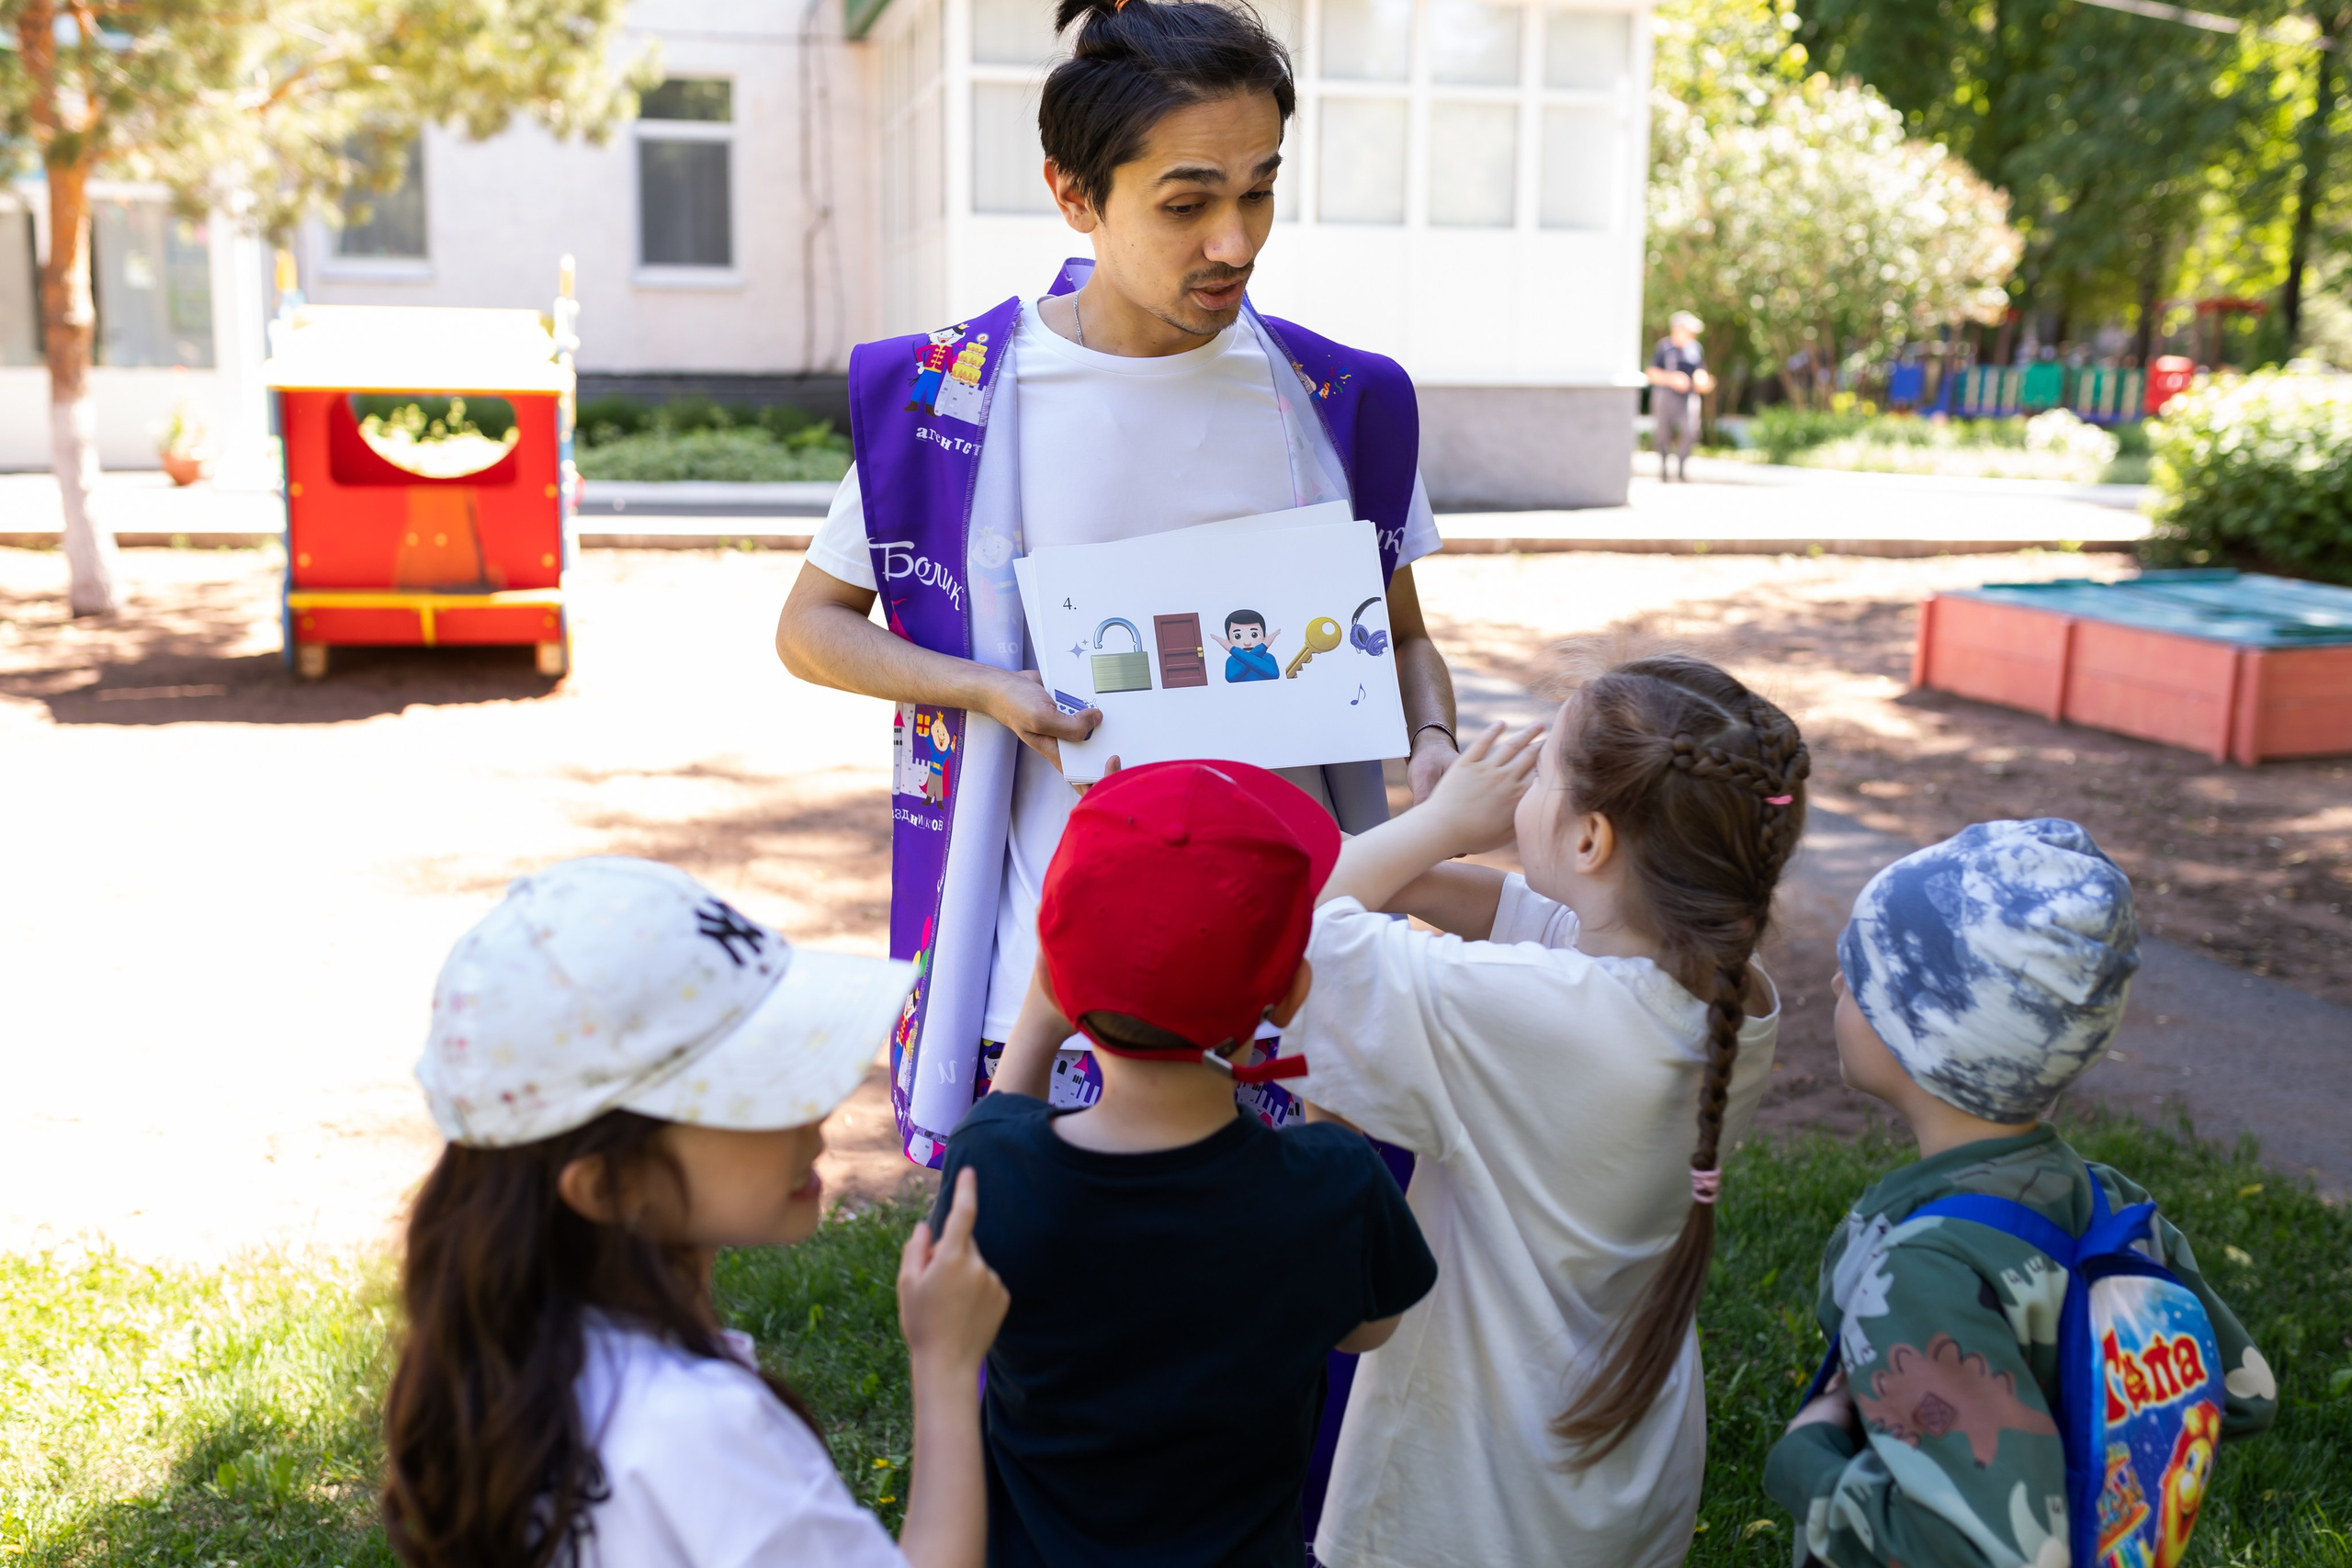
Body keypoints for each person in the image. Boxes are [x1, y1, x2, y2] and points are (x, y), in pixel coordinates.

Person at [772, 0, 1463, 1173]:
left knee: (1306, 1322)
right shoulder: (959, 400)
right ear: (1073, 193)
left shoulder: (1339, 400)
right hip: (1055, 993)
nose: (1234, 242)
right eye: (1187, 203)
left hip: (1294, 972)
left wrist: (1433, 736)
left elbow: (1400, 642)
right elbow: (811, 629)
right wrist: (989, 690)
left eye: (1259, 190)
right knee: (1060, 1333)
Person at [1278, 656, 1810, 1568]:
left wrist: (1437, 824)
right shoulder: (1721, 990)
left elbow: (1299, 923)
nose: (1517, 780)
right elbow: (1500, 909)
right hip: (1610, 1477)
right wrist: (1422, 851)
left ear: (1592, 841)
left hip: (1464, 1498)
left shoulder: (1540, 1014)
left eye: (1542, 770)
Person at [381, 857, 1011, 1568]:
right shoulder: (699, 1428)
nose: (816, 1106)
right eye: (749, 1089)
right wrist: (946, 1364)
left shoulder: (504, 1379)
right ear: (608, 1186)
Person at [942, 760, 1440, 1566]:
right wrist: (1326, 1082)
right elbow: (1368, 1327)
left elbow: (1002, 1115)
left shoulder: (995, 1170)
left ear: (1055, 977)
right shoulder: (1326, 1186)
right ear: (1286, 997)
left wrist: (1039, 1017)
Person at [1763, 820, 2278, 1568]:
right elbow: (2244, 1391)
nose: (1838, 982)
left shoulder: (1928, 1269)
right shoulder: (2111, 1204)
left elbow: (1979, 1550)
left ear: (1927, 1035)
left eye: (1860, 971)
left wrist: (1805, 1457)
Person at [1645, 310, 1713, 481]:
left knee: (1691, 431)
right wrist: (1672, 379)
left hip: (1688, 397)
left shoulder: (1695, 348)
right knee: (1662, 434)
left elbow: (1701, 370)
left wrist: (1702, 378)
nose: (1693, 334)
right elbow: (1651, 373)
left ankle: (1682, 469)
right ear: (1678, 329)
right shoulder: (1664, 347)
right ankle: (1664, 470)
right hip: (1665, 396)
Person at [1216, 608, 1282, 682]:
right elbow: (1231, 678)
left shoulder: (1269, 657)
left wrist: (1232, 649)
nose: (1247, 643)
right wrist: (1263, 647)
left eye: (1254, 635)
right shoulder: (1231, 660)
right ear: (1229, 640)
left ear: (1265, 636)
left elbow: (1274, 674)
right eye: (1237, 636)